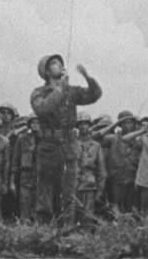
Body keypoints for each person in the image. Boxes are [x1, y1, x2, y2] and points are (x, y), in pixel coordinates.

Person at [29, 54, 101, 225]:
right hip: (48, 147)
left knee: (68, 192)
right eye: (54, 63)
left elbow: (94, 95)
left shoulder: (71, 92)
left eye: (61, 63)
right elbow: (43, 108)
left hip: (68, 147)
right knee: (45, 191)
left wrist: (88, 78)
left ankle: (66, 230)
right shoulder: (39, 92)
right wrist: (60, 89)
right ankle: (43, 230)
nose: (60, 65)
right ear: (46, 71)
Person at [72, 115, 107, 224]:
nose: (83, 127)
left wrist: (100, 190)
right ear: (77, 127)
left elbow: (102, 171)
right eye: (80, 124)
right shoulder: (72, 144)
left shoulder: (96, 146)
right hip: (73, 185)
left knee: (87, 216)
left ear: (90, 126)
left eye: (86, 124)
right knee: (72, 215)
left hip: (89, 184)